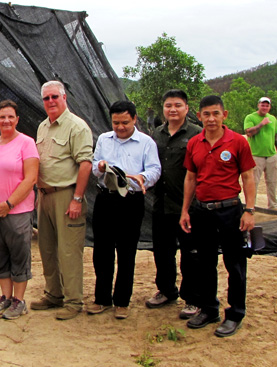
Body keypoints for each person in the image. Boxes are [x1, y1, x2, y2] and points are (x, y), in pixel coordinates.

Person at [180, 95, 256, 338]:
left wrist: (250, 211)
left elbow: (248, 177)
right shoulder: (194, 142)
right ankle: (209, 308)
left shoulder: (237, 142)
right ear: (199, 116)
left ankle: (235, 313)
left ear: (225, 115)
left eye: (215, 113)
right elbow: (190, 178)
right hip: (202, 211)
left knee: (234, 263)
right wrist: (185, 210)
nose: (211, 119)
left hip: (230, 211)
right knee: (205, 262)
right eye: (206, 114)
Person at [87, 100, 161, 320]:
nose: (120, 127)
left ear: (135, 119)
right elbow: (94, 167)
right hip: (105, 199)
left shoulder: (146, 143)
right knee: (102, 251)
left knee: (127, 252)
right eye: (116, 122)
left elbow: (155, 169)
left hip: (131, 201)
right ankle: (101, 299)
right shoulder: (103, 139)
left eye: (125, 123)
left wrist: (143, 178)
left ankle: (122, 301)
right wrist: (99, 167)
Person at [31, 80, 93, 320]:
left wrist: (77, 198)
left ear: (64, 98)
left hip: (67, 195)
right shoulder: (43, 127)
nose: (50, 102)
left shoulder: (77, 127)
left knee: (69, 251)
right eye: (46, 98)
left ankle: (74, 301)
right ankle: (54, 294)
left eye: (54, 97)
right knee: (47, 249)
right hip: (44, 196)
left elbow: (85, 163)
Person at [0, 100, 39, 320]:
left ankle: (19, 300)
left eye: (10, 117)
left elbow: (30, 177)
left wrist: (10, 204)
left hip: (17, 211)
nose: (6, 121)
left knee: (19, 254)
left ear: (17, 120)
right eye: (2, 117)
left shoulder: (26, 143)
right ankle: (5, 297)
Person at [146, 90, 202, 319]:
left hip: (187, 206)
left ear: (186, 108)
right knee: (162, 251)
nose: (173, 109)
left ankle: (192, 298)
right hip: (160, 204)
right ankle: (167, 290)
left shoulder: (197, 134)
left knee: (190, 253)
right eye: (168, 105)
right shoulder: (155, 135)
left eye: (178, 105)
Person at [243, 97, 277, 209]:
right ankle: (251, 206)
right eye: (262, 105)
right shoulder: (250, 117)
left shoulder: (273, 118)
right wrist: (261, 124)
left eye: (267, 105)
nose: (265, 107)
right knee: (253, 183)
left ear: (270, 107)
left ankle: (273, 207)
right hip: (255, 155)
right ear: (258, 105)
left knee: (272, 183)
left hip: (271, 156)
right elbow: (248, 132)